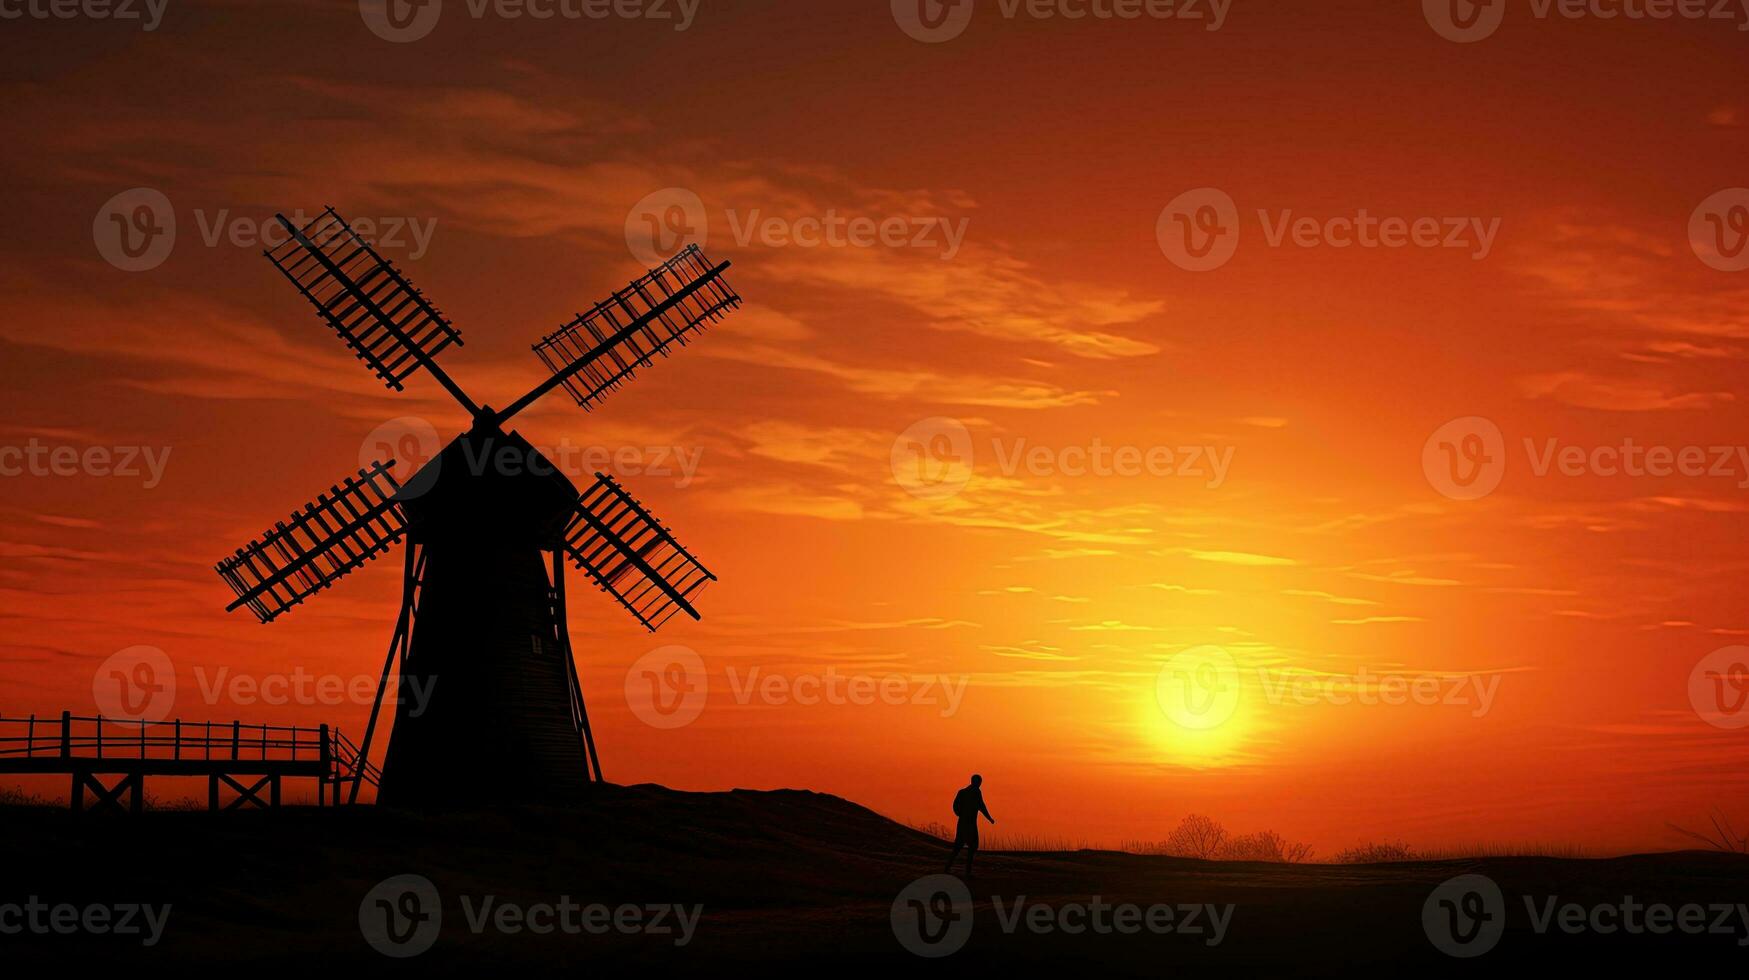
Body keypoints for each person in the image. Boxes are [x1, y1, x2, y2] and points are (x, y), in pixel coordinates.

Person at [944, 773, 995, 876]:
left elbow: (956, 806)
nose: (979, 784)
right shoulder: (973, 793)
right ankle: (965, 871)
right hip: (969, 824)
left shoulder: (963, 792)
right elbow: (982, 807)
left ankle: (950, 868)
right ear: (976, 782)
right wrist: (989, 818)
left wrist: (960, 814)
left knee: (959, 847)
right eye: (979, 782)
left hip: (963, 823)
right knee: (970, 847)